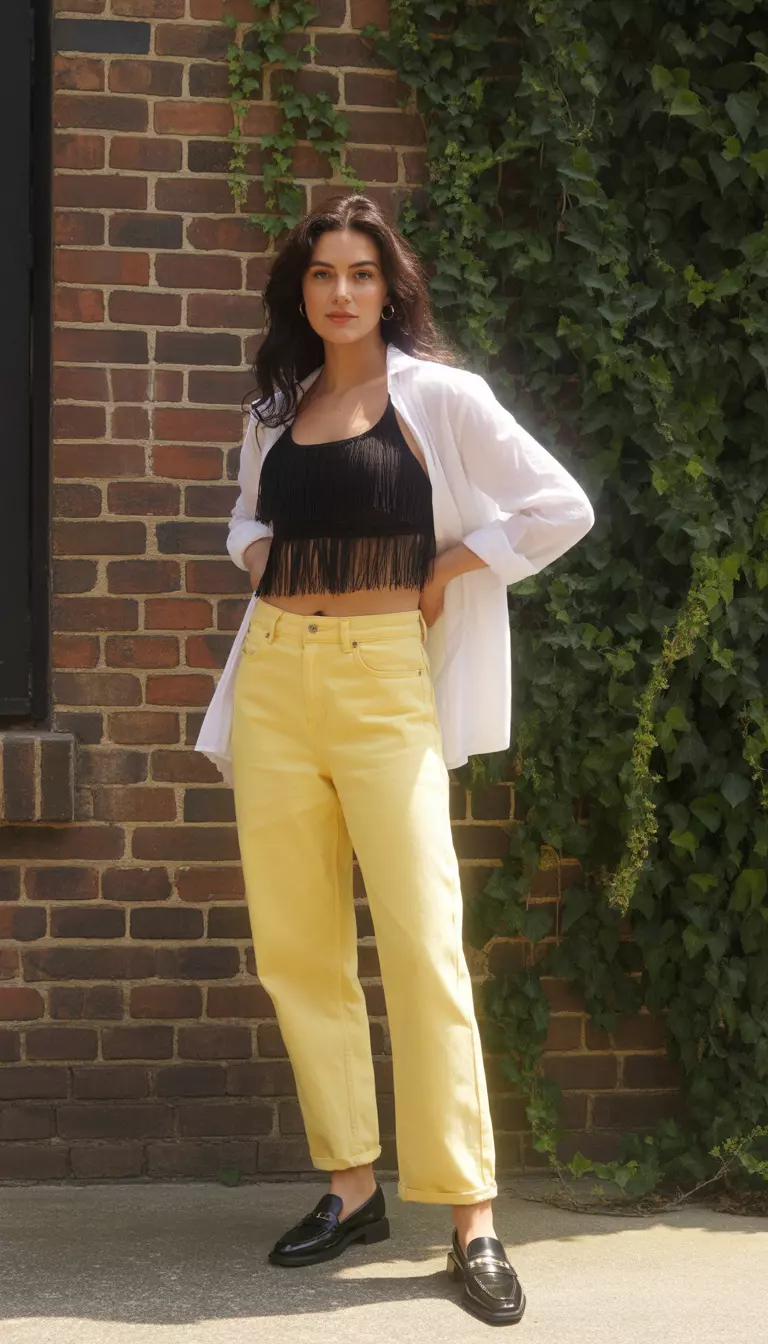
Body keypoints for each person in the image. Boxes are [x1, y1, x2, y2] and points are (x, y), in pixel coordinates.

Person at [195, 193, 594, 1326]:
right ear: (301, 290)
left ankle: (471, 1215)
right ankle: (351, 1185)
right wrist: (261, 549)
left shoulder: (441, 397)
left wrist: (454, 564)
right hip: (278, 676)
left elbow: (559, 506)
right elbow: (240, 520)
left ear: (390, 285)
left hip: (382, 680)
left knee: (423, 943)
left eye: (360, 273)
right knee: (297, 947)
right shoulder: (279, 406)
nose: (340, 293)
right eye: (321, 274)